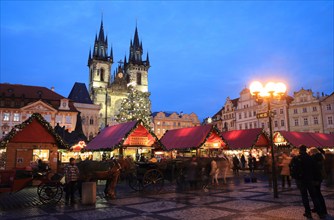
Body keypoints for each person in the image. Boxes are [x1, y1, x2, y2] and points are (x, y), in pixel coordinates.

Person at [289, 145, 324, 219]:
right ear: (305, 150)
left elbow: (291, 166)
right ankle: (320, 212)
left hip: (301, 180)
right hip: (310, 179)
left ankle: (308, 213)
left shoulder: (296, 158)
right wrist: (317, 179)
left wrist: (294, 176)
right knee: (314, 196)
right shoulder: (310, 158)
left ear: (299, 150)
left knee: (304, 196)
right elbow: (316, 170)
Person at [309, 147, 328, 217]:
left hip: (315, 178)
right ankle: (321, 209)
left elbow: (314, 169)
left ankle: (321, 210)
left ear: (312, 152)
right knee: (318, 193)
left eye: (310, 152)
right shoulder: (320, 157)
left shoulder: (314, 158)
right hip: (319, 177)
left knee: (316, 194)